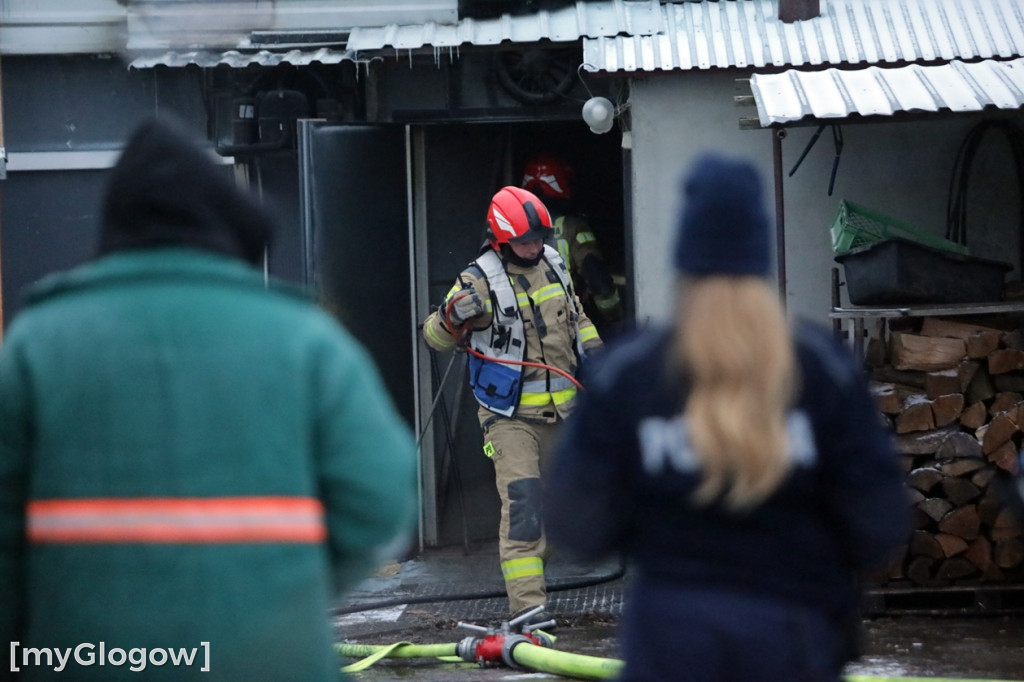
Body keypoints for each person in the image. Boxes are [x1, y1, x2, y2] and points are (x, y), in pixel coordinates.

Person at [0, 116, 417, 681]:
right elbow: (381, 500)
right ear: (231, 231)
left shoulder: (34, 344)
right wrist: (286, 592)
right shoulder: (306, 340)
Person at [545, 153, 909, 681]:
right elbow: (880, 525)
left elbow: (577, 525)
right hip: (794, 635)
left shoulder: (630, 373)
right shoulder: (823, 370)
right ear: (759, 252)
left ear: (683, 259)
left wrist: (656, 519)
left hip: (671, 640)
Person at [421, 185, 603, 625]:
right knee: (524, 511)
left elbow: (577, 317)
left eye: (538, 239)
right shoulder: (477, 280)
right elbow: (434, 336)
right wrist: (452, 317)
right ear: (502, 240)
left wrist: (601, 361)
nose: (534, 247)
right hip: (510, 420)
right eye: (524, 242)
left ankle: (532, 584)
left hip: (564, 414)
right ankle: (529, 612)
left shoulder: (554, 263)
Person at [521, 154, 625, 330]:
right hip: (567, 323)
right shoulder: (573, 226)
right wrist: (616, 320)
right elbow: (597, 279)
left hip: (523, 324)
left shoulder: (510, 226)